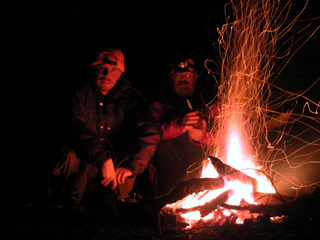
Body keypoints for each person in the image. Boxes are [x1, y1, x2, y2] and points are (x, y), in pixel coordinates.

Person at [51, 48, 161, 207]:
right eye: (102, 68)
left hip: (114, 165)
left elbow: (151, 130)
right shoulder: (80, 92)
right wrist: (103, 158)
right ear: (93, 69)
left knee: (114, 208)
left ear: (121, 73)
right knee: (70, 154)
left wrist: (132, 167)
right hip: (84, 161)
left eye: (114, 70)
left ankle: (116, 200)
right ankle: (66, 201)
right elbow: (74, 126)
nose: (106, 74)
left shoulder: (129, 97)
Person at [131, 58, 219, 197]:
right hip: (170, 172)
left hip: (202, 167)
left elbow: (230, 134)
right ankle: (167, 202)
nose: (182, 79)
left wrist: (203, 136)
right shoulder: (161, 103)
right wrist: (180, 126)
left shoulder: (210, 103)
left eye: (187, 75)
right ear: (171, 80)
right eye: (178, 76)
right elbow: (152, 131)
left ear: (195, 78)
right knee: (166, 146)